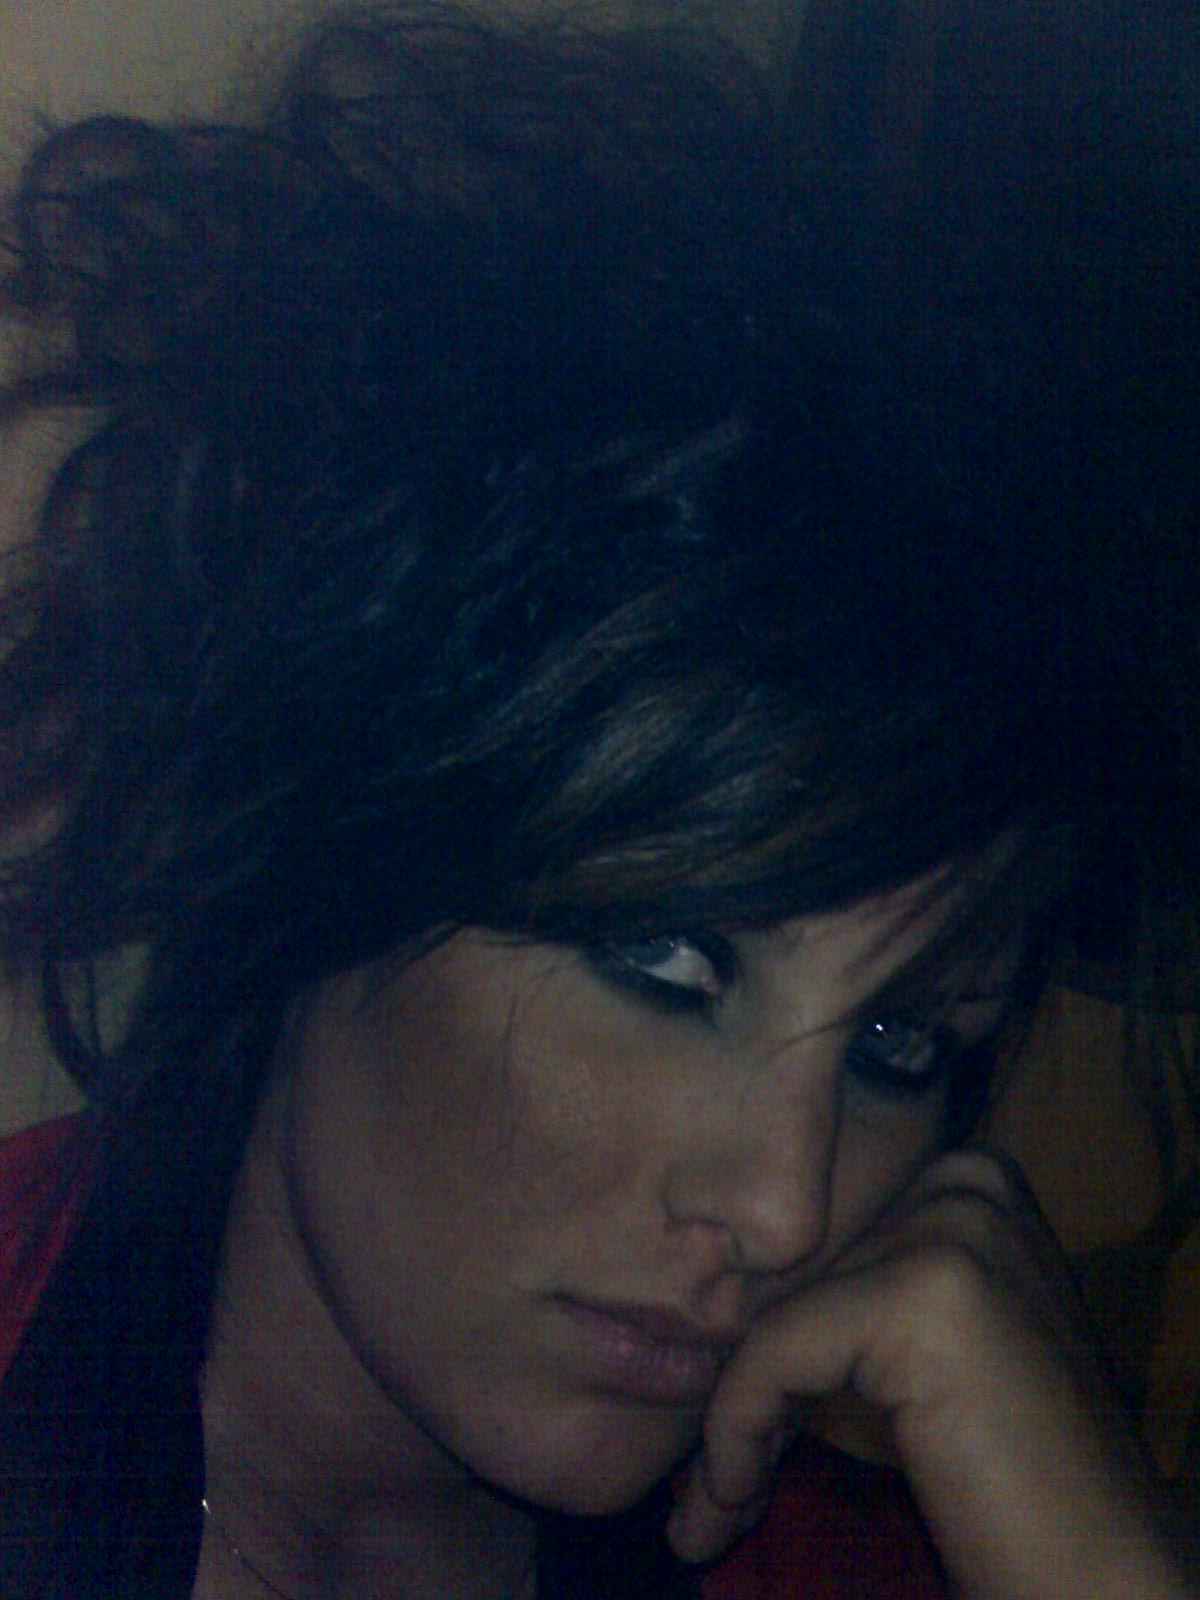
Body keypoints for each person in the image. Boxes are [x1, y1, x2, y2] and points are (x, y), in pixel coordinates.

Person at [0, 5, 1196, 1597]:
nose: (784, 1207)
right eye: (667, 961)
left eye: (901, 1048)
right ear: (324, 830)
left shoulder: (872, 1553)